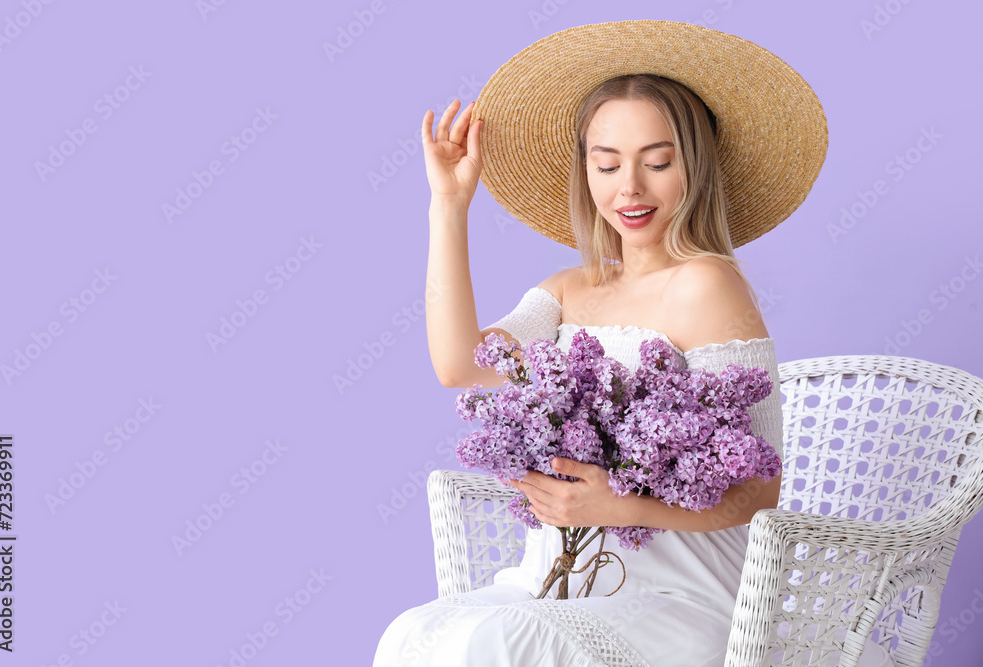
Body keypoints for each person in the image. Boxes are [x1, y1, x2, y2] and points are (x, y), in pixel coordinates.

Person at [375, 19, 885, 667]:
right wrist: (448, 206)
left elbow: (759, 493)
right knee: (413, 634)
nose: (630, 188)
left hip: (677, 596)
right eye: (608, 162)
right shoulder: (565, 290)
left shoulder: (707, 285)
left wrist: (616, 503)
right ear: (585, 167)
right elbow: (459, 367)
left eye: (658, 161)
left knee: (500, 643)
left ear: (693, 167)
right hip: (559, 578)